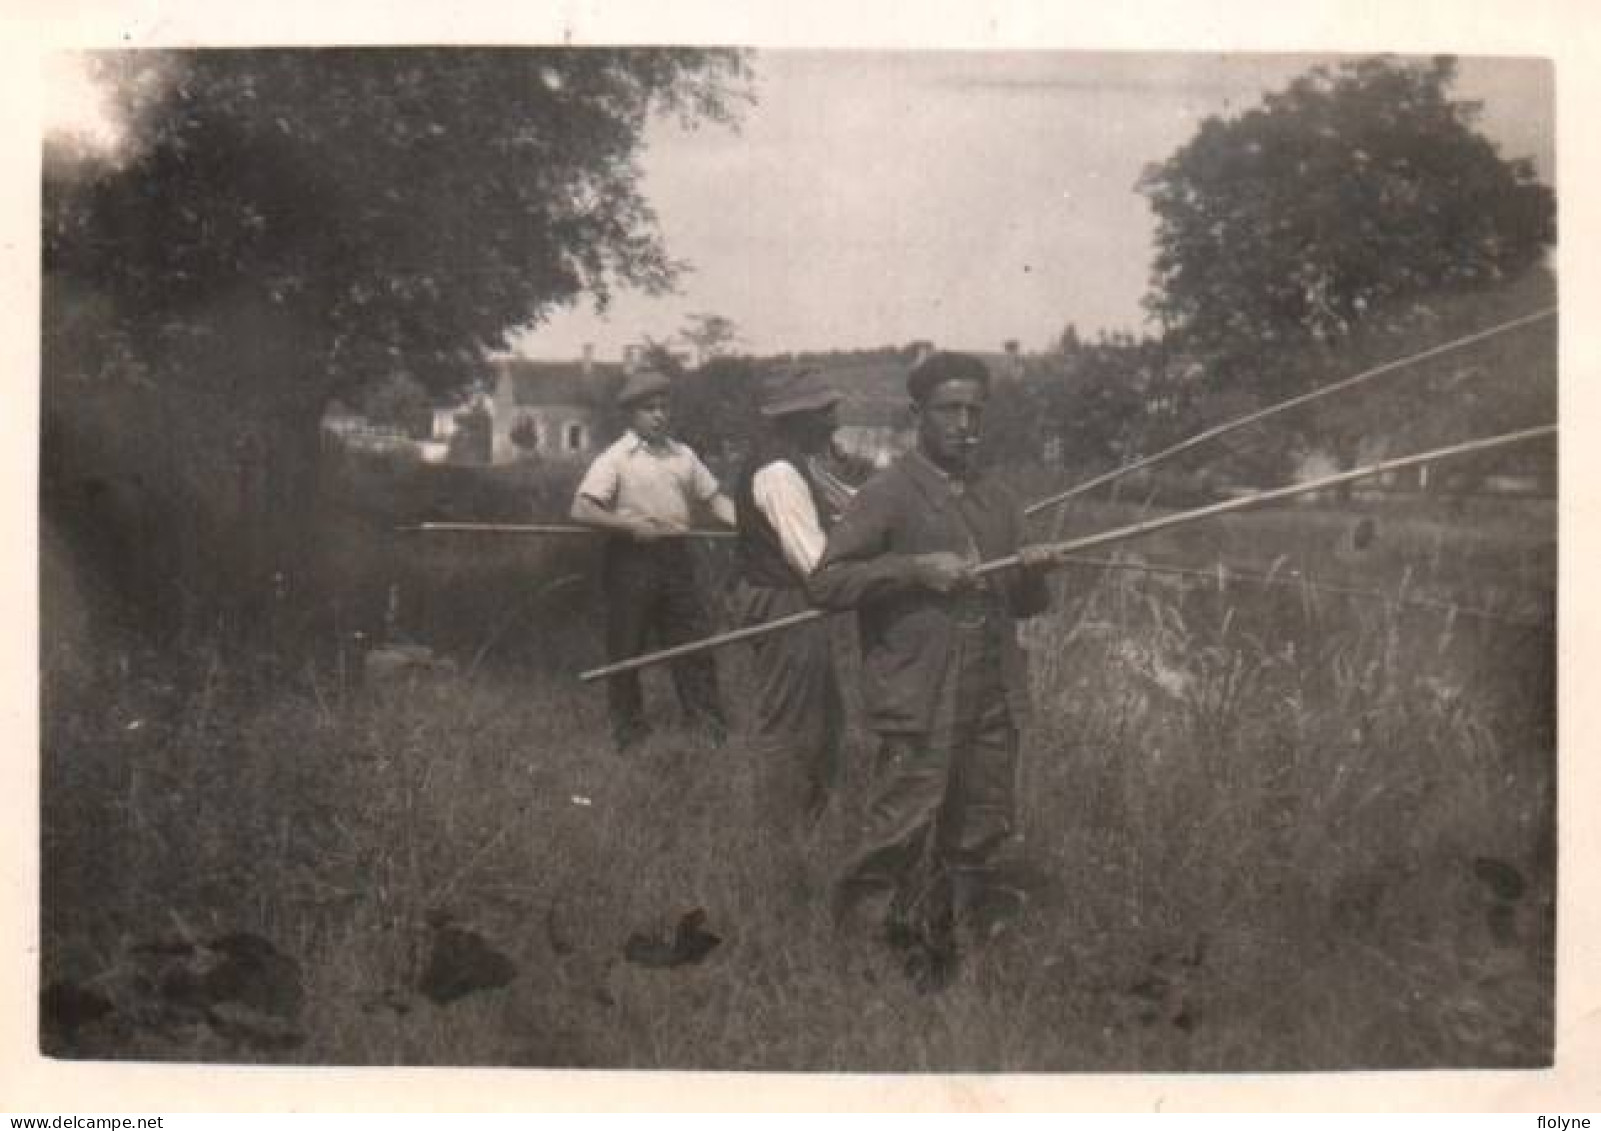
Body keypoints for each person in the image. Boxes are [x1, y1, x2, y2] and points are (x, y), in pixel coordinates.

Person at [806, 350, 1057, 990]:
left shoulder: (998, 499)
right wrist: (915, 570)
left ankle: (953, 958)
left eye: (976, 410)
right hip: (920, 689)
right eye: (950, 409)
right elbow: (827, 583)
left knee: (979, 825)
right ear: (919, 416)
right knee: (900, 828)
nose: (965, 423)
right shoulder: (888, 493)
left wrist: (1033, 572)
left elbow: (1024, 606)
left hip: (992, 687)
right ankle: (859, 969)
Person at [571, 369, 736, 752]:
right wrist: (626, 526)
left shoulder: (684, 455)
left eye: (664, 407)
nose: (660, 415)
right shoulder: (616, 458)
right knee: (626, 649)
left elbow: (715, 501)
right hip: (631, 561)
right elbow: (581, 509)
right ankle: (629, 737)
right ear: (633, 415)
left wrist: (750, 524)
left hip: (675, 558)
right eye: (650, 409)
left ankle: (708, 731)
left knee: (692, 644)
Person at [731, 367, 850, 860]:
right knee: (790, 723)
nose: (834, 424)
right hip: (784, 601)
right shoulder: (779, 473)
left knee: (823, 719)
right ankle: (777, 842)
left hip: (795, 598)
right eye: (825, 414)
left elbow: (847, 507)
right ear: (799, 419)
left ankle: (808, 828)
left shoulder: (802, 463)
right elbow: (815, 562)